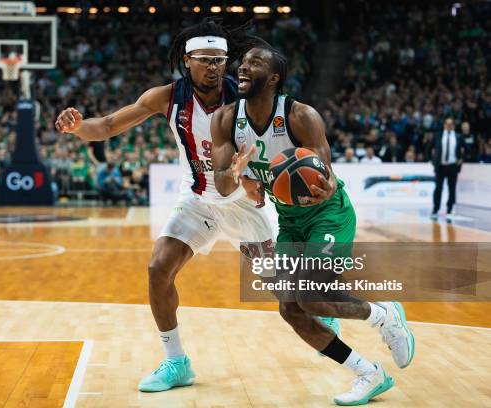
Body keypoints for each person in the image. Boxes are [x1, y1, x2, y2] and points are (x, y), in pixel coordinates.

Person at [55, 20, 336, 393]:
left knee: (285, 291)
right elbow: (106, 126)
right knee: (158, 268)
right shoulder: (167, 97)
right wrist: (77, 128)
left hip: (242, 202)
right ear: (187, 61)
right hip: (200, 197)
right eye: (205, 59)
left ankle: (324, 310)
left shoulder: (244, 95)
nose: (214, 66)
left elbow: (278, 134)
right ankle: (176, 362)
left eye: (220, 59)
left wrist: (274, 178)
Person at [211, 45, 415, 406]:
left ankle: (384, 315)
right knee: (290, 309)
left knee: (311, 296)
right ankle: (369, 374)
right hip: (289, 222)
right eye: (242, 63)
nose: (243, 67)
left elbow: (325, 172)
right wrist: (237, 176)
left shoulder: (301, 115)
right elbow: (223, 184)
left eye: (254, 63)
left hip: (328, 214)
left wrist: (327, 183)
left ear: (274, 78)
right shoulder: (226, 119)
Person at [431, 118, 464, 219]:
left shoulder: (458, 137)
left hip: (452, 166)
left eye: (451, 124)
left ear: (453, 125)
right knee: (438, 188)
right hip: (441, 166)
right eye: (447, 124)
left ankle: (449, 208)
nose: (449, 126)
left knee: (452, 188)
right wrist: (433, 161)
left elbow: (465, 149)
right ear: (444, 125)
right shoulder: (438, 135)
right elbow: (429, 148)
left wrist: (461, 159)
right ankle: (436, 207)